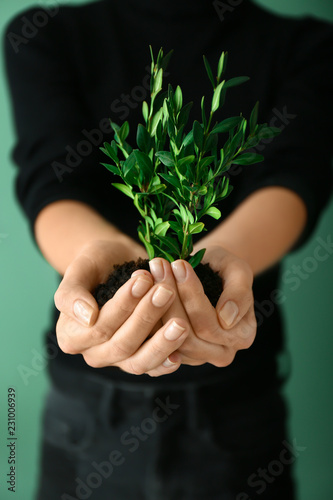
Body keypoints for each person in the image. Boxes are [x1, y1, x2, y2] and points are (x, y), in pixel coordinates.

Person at [4, 0, 333, 498]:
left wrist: (217, 265)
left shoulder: (311, 46)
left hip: (238, 408)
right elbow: (51, 179)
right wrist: (101, 263)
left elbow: (294, 177)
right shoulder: (44, 33)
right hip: (86, 409)